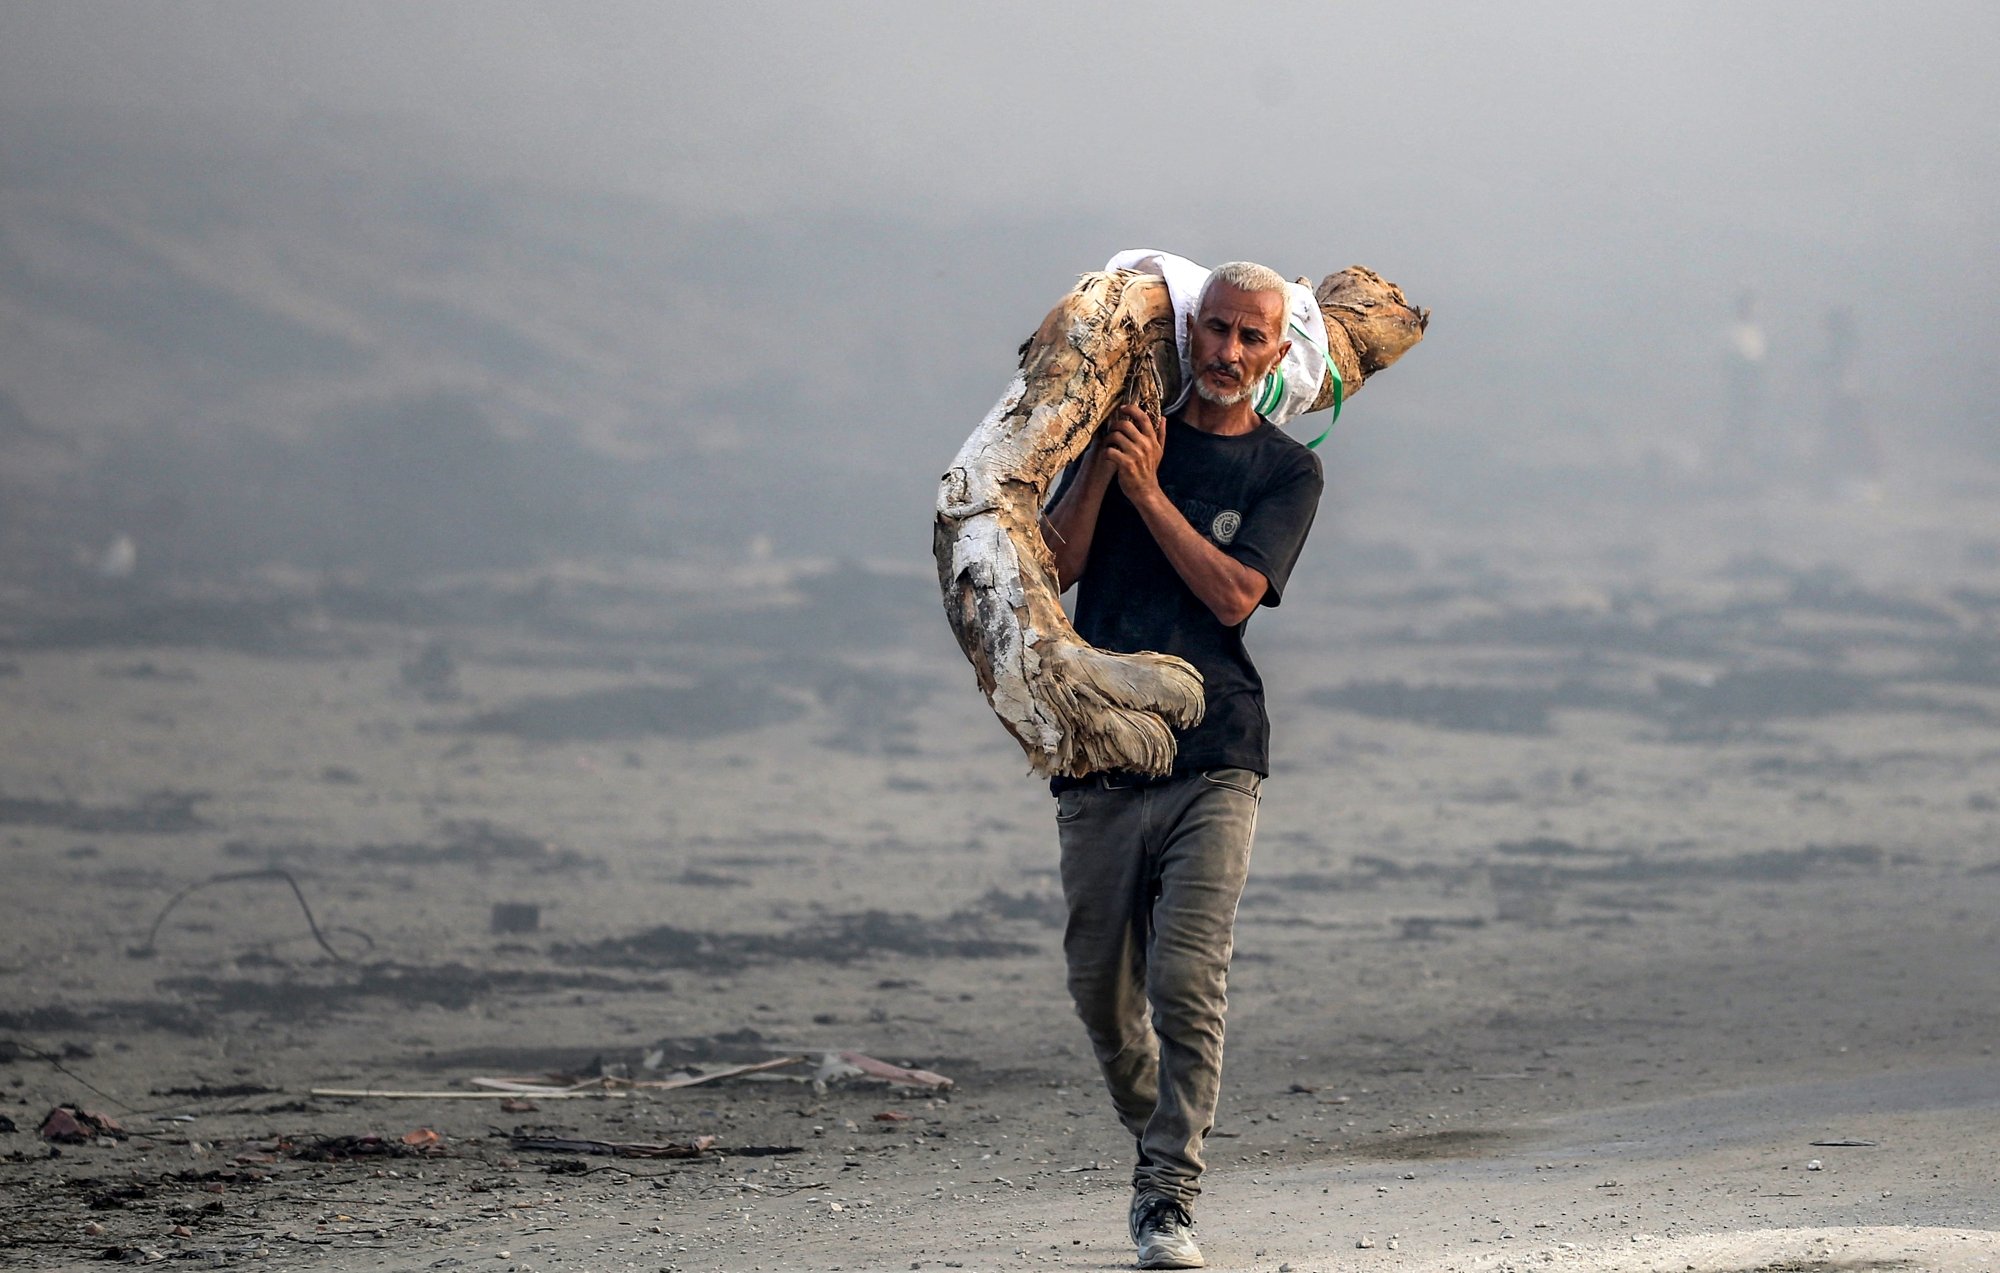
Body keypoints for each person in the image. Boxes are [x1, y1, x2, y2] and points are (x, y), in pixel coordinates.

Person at [1039, 261, 1325, 1269]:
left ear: (1277, 352)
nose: (1230, 354)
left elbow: (1232, 597)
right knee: (1099, 996)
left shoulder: (1284, 471)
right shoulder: (1122, 432)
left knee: (1186, 978)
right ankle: (1160, 1128)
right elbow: (1059, 567)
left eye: (1253, 339)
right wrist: (1101, 466)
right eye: (1216, 333)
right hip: (1099, 750)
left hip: (1216, 751)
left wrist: (1149, 491)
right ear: (1186, 332)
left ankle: (1166, 1197)